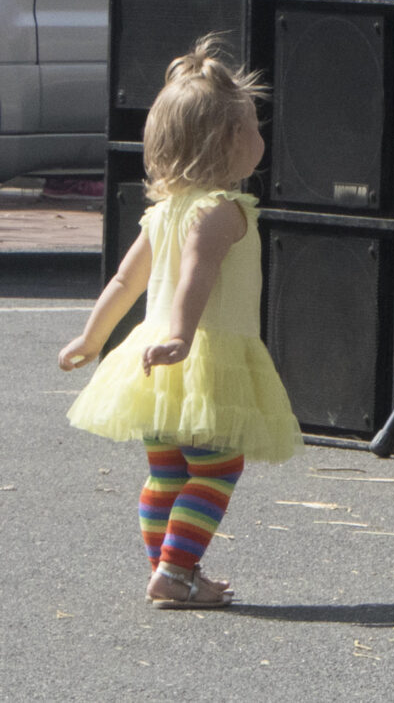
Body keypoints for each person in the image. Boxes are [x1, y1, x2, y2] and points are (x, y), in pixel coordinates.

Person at [59, 40, 300, 608]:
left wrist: (92, 339)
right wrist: (181, 338)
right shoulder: (225, 211)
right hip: (198, 357)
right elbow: (199, 273)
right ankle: (175, 569)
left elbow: (124, 282)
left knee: (167, 471)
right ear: (231, 143)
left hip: (152, 364)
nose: (261, 137)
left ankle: (175, 573)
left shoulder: (162, 212)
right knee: (218, 466)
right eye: (253, 127)